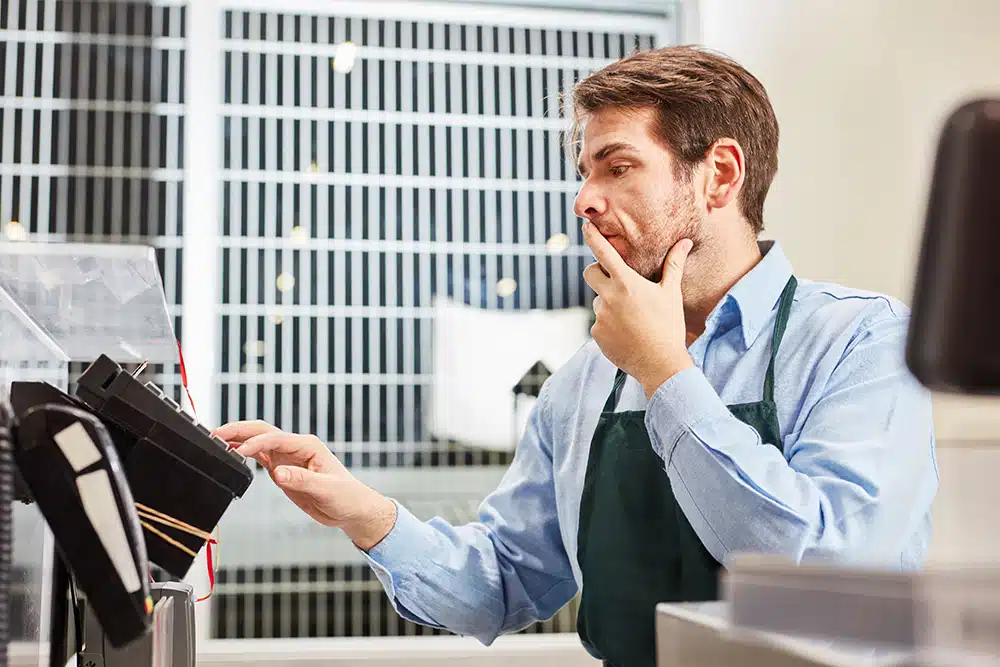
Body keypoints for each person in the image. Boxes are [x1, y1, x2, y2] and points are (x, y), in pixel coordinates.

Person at [214, 46, 938, 667]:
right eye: (585, 171)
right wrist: (367, 516)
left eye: (618, 167)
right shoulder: (583, 383)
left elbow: (834, 580)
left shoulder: (862, 343)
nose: (584, 200)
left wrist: (666, 374)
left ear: (719, 175)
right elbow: (502, 582)